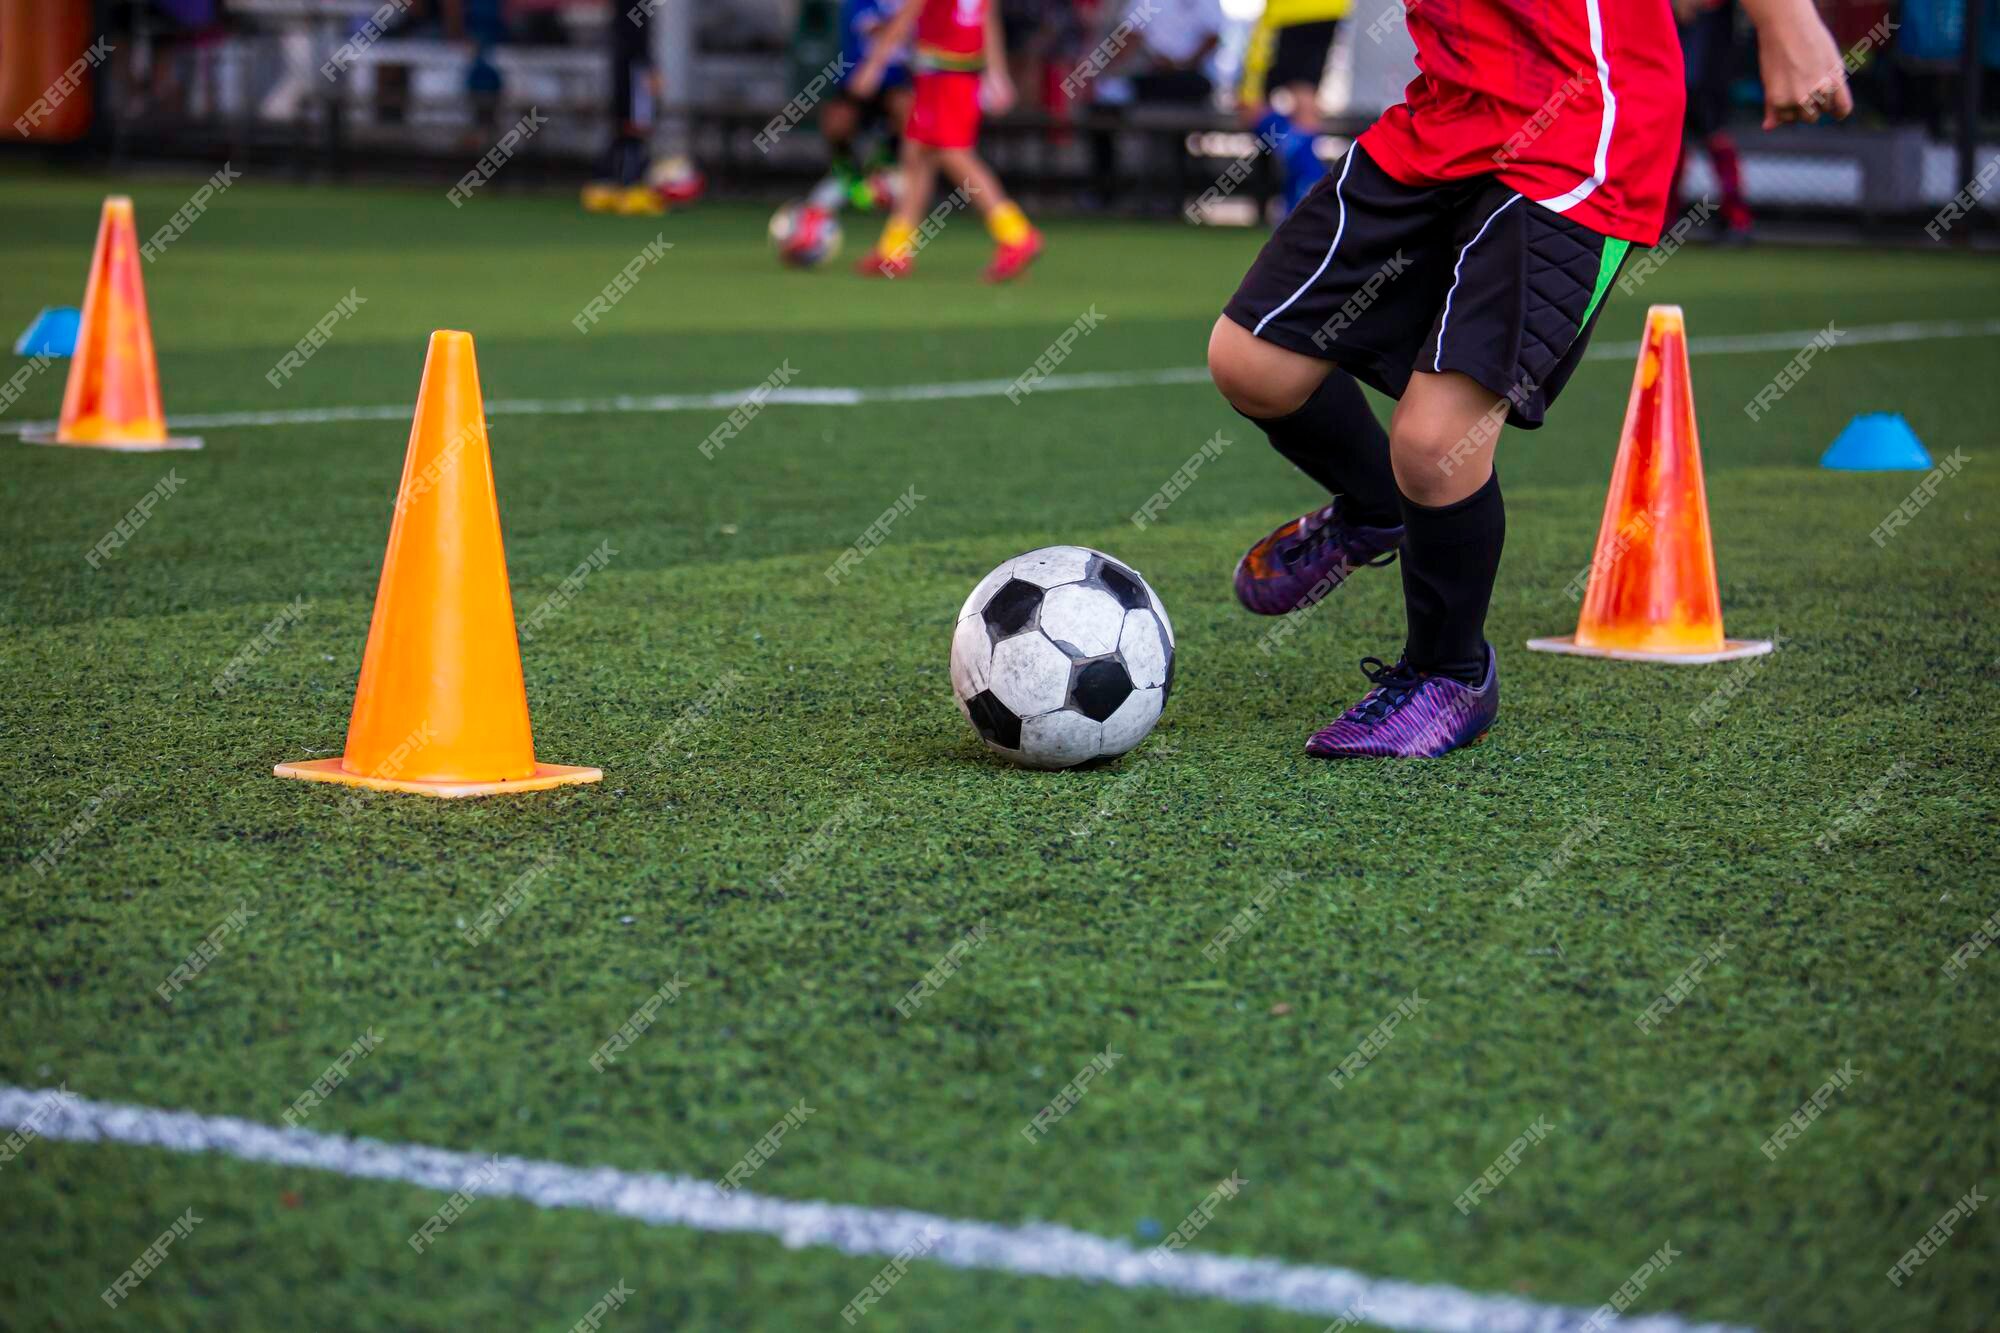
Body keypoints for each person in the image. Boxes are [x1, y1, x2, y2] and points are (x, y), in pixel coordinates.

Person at [1206, 0, 1852, 758]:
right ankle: (1378, 507)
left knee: (1435, 442)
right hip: (1446, 113)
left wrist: (1787, 21)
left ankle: (1450, 673)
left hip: (1584, 128)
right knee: (1252, 361)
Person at [849, 0, 1044, 282]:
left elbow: (905, 18)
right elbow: (987, 19)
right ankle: (895, 249)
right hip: (955, 74)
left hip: (943, 75)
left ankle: (1016, 234)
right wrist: (996, 72)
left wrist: (873, 66)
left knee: (952, 154)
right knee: (916, 154)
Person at [1238, 0, 1350, 211]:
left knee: (1250, 106)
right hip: (1331, 8)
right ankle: (1307, 200)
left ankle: (1314, 193)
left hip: (1289, 12)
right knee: (1305, 101)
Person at [1675, 0, 1754, 240]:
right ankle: (1661, 218)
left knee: (1715, 137)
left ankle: (1737, 219)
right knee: (1672, 142)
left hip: (1707, 63)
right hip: (1678, 54)